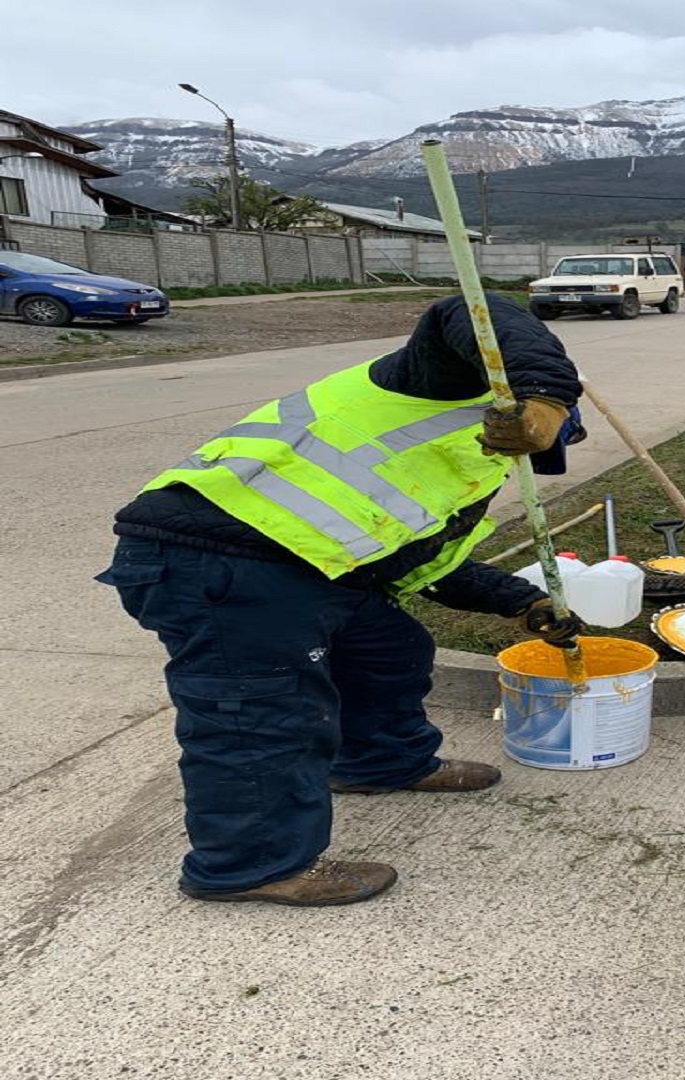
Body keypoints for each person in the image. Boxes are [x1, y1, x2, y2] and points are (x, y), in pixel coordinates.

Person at [95, 293, 587, 907]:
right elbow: (471, 307)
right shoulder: (437, 381)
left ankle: (378, 761)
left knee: (391, 645)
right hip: (219, 555)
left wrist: (520, 602)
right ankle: (250, 865)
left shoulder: (466, 473)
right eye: (546, 434)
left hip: (303, 566)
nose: (535, 450)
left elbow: (424, 565)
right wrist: (544, 391)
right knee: (260, 713)